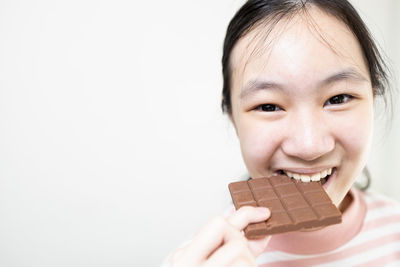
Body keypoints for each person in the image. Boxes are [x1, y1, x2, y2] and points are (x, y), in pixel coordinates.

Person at [163, 0, 400, 266]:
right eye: (268, 106)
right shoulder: (200, 259)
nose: (309, 146)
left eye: (338, 98)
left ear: (374, 96)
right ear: (232, 116)